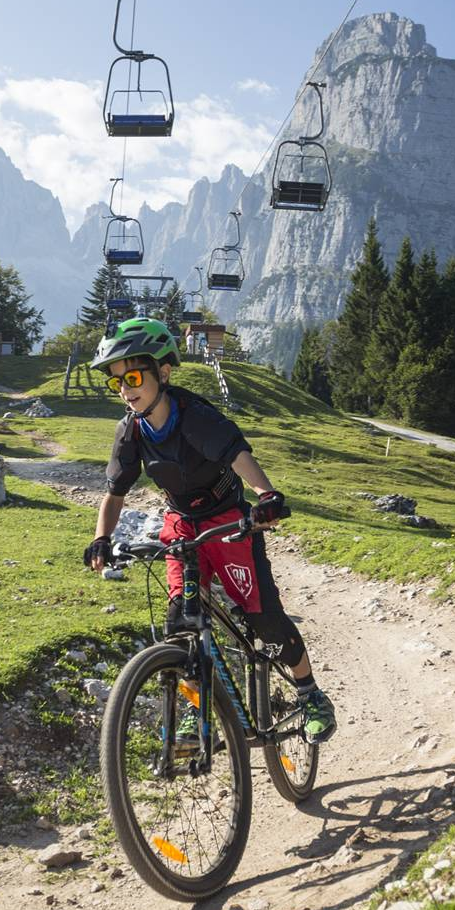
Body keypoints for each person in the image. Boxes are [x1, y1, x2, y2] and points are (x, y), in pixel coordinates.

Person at [80, 317, 337, 742]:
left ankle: (310, 693)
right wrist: (101, 538)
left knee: (265, 619)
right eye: (117, 383)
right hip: (181, 526)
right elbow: (115, 492)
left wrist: (266, 497)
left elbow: (238, 456)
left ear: (163, 373)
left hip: (228, 521)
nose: (125, 390)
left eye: (133, 377)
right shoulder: (130, 430)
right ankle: (196, 711)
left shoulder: (194, 416)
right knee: (181, 623)